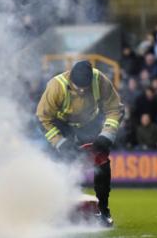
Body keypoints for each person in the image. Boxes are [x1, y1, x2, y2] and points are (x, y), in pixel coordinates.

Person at [36, 61, 123, 226]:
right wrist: (60, 142)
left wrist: (106, 135)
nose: (82, 91)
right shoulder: (56, 86)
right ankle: (56, 212)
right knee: (59, 165)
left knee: (102, 164)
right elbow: (43, 118)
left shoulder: (100, 81)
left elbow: (115, 109)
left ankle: (104, 211)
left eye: (86, 87)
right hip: (61, 124)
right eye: (78, 88)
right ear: (71, 80)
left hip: (89, 123)